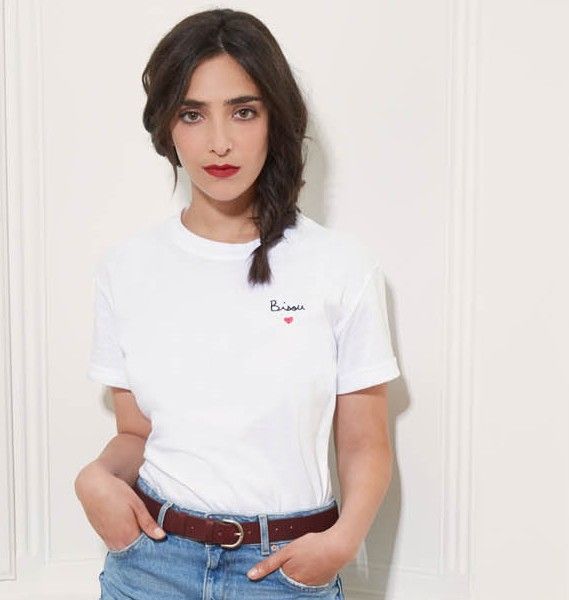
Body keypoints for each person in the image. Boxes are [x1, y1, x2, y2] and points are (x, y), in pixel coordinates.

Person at [74, 8, 400, 600]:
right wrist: (94, 478)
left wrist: (340, 543)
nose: (219, 142)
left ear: (275, 119)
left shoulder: (340, 266)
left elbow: (364, 443)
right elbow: (136, 434)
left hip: (285, 571)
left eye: (243, 111)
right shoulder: (126, 269)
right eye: (192, 114)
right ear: (167, 127)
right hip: (151, 566)